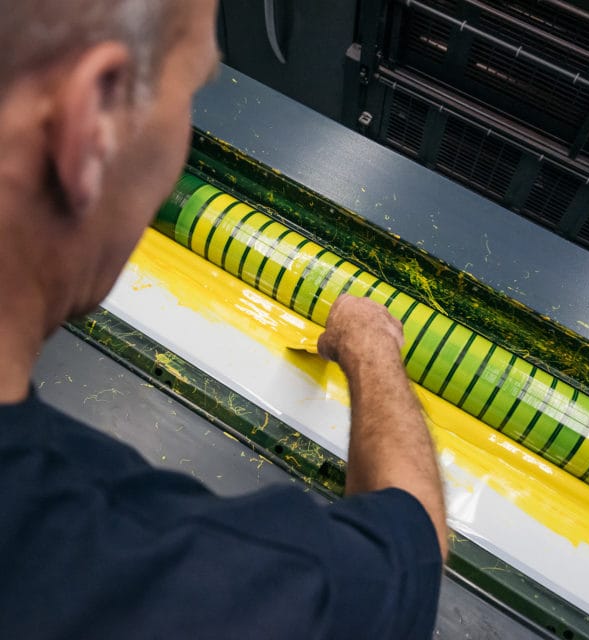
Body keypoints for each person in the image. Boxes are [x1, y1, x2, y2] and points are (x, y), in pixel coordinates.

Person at [0, 0, 447, 637]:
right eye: (192, 91)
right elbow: (410, 549)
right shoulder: (154, 580)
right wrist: (374, 348)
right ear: (92, 121)